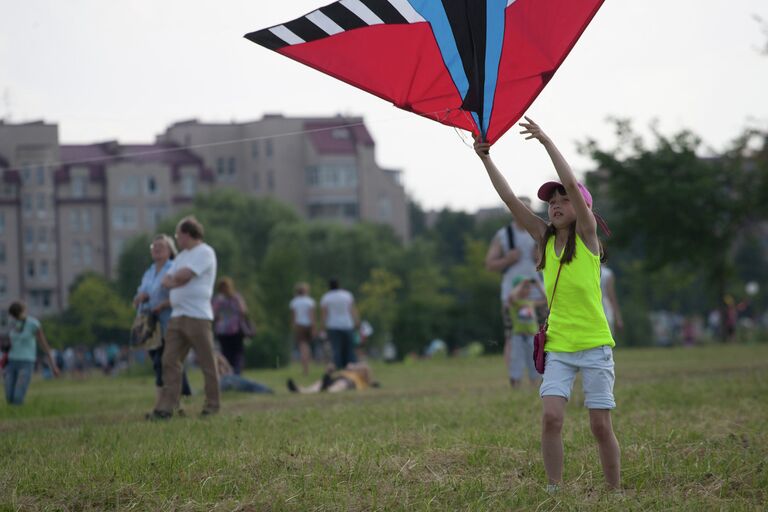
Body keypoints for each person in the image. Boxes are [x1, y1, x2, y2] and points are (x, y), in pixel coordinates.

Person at [475, 117, 620, 491]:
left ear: (582, 208)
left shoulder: (588, 237)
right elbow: (509, 201)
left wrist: (546, 141)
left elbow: (571, 181)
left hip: (594, 345)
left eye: (562, 201)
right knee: (551, 419)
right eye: (551, 202)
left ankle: (614, 490)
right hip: (558, 346)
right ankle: (554, 488)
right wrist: (485, 159)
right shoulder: (543, 239)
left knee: (600, 426)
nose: (555, 205)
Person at [149, 216, 219, 420]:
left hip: (198, 315)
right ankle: (168, 407)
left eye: (178, 235)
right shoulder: (181, 257)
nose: (177, 239)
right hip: (177, 316)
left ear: (188, 234)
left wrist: (174, 281)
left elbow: (183, 276)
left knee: (207, 362)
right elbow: (167, 279)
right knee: (169, 360)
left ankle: (212, 405)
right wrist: (174, 281)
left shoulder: (205, 252)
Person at [485, 197, 543, 382]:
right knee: (512, 336)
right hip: (512, 295)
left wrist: (541, 256)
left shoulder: (540, 233)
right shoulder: (504, 235)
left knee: (541, 333)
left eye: (527, 209)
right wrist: (507, 260)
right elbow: (489, 264)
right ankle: (514, 377)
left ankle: (539, 375)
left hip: (537, 292)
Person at [133, 234, 192, 412]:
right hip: (150, 325)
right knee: (160, 362)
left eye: (161, 246)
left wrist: (163, 304)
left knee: (165, 362)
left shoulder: (174, 268)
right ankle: (177, 402)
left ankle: (163, 404)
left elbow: (181, 295)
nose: (156, 249)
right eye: (154, 246)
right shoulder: (149, 272)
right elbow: (136, 298)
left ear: (170, 251)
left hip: (169, 323)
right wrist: (140, 298)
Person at [4, 301, 60, 405]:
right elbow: (9, 344)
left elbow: (45, 345)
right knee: (9, 396)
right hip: (12, 362)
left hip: (26, 362)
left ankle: (18, 417)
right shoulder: (12, 324)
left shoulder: (33, 324)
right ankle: (14, 414)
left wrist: (53, 366)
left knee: (18, 397)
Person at [507, 276, 546, 387]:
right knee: (516, 360)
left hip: (532, 336)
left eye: (528, 288)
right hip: (518, 336)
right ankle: (516, 383)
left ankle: (534, 383)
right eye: (525, 287)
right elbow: (511, 296)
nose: (527, 290)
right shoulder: (514, 302)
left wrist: (538, 285)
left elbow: (546, 298)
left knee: (533, 360)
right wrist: (521, 284)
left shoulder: (530, 302)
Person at [212, 277, 249, 375]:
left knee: (226, 354)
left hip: (222, 330)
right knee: (237, 354)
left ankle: (227, 373)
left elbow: (213, 314)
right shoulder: (236, 297)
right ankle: (236, 373)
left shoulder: (218, 299)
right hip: (235, 329)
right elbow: (243, 311)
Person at [320, 278, 359, 370]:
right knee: (349, 348)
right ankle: (350, 366)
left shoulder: (326, 297)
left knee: (336, 348)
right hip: (347, 324)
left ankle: (337, 366)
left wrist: (322, 326)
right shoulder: (347, 295)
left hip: (333, 325)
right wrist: (356, 320)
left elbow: (325, 314)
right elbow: (352, 309)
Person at [286, 362, 376, 394]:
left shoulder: (361, 380)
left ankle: (327, 389)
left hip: (349, 382)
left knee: (340, 385)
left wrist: (353, 367)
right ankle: (301, 390)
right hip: (337, 378)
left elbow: (368, 377)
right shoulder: (349, 372)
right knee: (319, 383)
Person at [289, 282, 316, 376]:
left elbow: (293, 317)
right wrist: (313, 327)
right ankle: (307, 366)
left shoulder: (294, 302)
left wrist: (293, 326)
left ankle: (305, 368)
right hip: (308, 325)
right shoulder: (310, 301)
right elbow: (312, 316)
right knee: (307, 346)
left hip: (299, 325)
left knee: (302, 347)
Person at [600, 264, 623, 336]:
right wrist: (618, 317)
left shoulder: (589, 270)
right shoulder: (608, 273)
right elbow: (611, 296)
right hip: (605, 306)